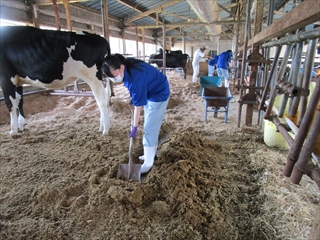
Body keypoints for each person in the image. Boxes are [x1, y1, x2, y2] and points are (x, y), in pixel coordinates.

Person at [102, 54, 170, 174]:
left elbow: (137, 108)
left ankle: (148, 163)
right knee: (150, 125)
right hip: (149, 90)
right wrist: (134, 96)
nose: (113, 79)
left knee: (149, 127)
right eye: (110, 77)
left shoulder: (135, 80)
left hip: (159, 93)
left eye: (113, 75)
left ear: (121, 67)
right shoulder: (126, 65)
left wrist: (134, 128)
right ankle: (150, 153)